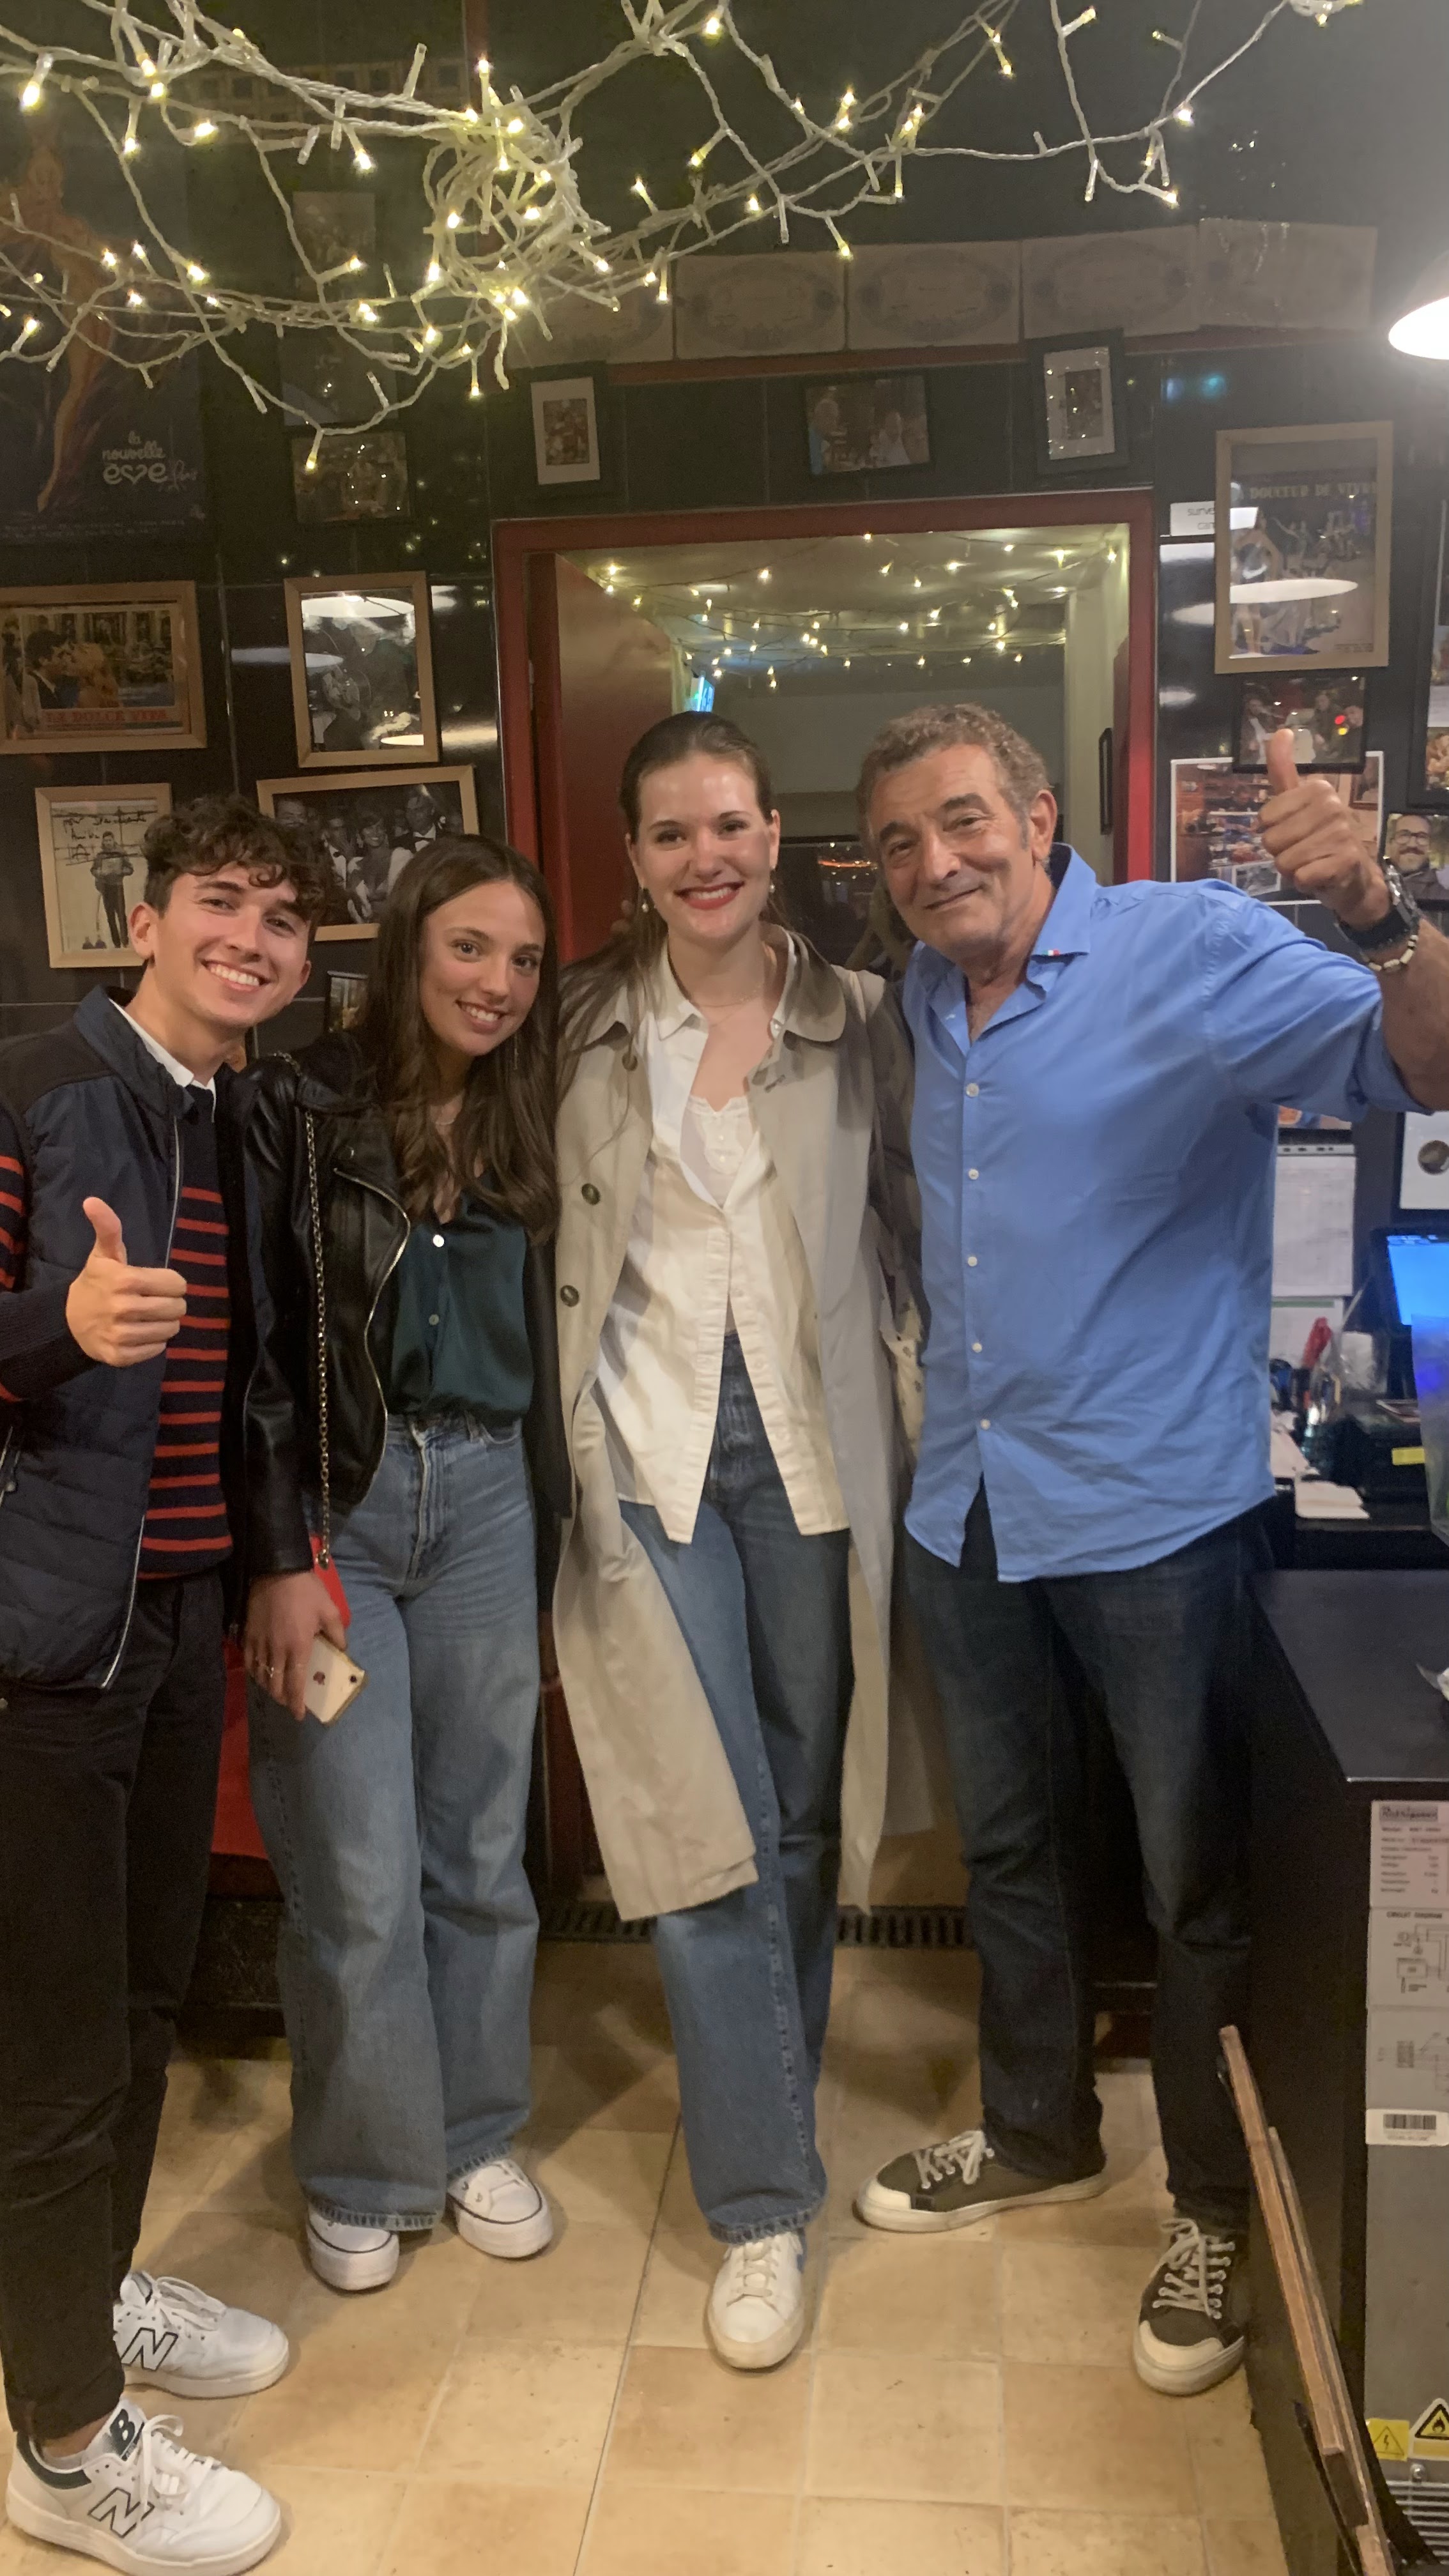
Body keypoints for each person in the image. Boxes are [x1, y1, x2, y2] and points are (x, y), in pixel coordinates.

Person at [850, 703, 1449, 2398]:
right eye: (897, 842)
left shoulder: (1185, 950)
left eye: (964, 820)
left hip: (1157, 1514)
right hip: (969, 1503)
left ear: (1040, 817)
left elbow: (1428, 1073)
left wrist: (1380, 913)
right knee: (1013, 1851)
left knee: (1193, 1880)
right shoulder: (922, 1000)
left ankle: (1208, 2206)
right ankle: (1036, 2131)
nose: (935, 863)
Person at [553, 711, 918, 2372]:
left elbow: (927, 1221)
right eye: (670, 833)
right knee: (705, 1827)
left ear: (775, 836)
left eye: (729, 826)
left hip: (816, 1458)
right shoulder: (574, 1031)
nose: (704, 857)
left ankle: (766, 2086)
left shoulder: (862, 1023)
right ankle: (763, 2203)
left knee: (801, 1817)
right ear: (634, 859)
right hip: (650, 1464)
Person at [0, 797, 332, 2573]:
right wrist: (53, 1331)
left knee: (144, 2002)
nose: (250, 940)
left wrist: (274, 1561)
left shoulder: (240, 1115)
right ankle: (60, 2448)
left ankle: (94, 2289)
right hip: (42, 1639)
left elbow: (259, 1377)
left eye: (283, 920)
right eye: (222, 902)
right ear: (145, 919)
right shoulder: (37, 1087)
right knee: (56, 2050)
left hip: (179, 1616)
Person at [242, 835, 571, 2295]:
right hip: (342, 1519)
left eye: (523, 959)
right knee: (355, 1867)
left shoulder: (534, 1108)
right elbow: (262, 1346)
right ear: (409, 947)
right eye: (469, 948)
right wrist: (278, 1549)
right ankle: (367, 2166)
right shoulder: (299, 1104)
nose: (497, 983)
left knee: (483, 1856)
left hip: (490, 1500)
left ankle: (475, 2133)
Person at [89, 831, 134, 949]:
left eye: (110, 840)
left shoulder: (121, 853)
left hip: (118, 887)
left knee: (121, 914)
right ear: (103, 842)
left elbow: (130, 869)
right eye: (106, 841)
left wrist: (121, 871)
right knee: (110, 916)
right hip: (106, 887)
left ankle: (125, 941)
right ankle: (117, 944)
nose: (108, 843)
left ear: (114, 840)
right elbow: (93, 870)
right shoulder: (100, 856)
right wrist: (99, 873)